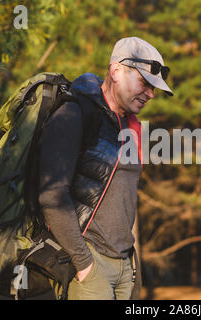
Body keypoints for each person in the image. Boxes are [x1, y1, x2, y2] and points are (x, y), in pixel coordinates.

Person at [37, 37, 173, 300]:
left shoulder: (132, 127)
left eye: (154, 88)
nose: (151, 94)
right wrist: (84, 263)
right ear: (116, 71)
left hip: (124, 266)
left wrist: (128, 267)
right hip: (89, 264)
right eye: (144, 83)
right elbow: (51, 195)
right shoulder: (74, 112)